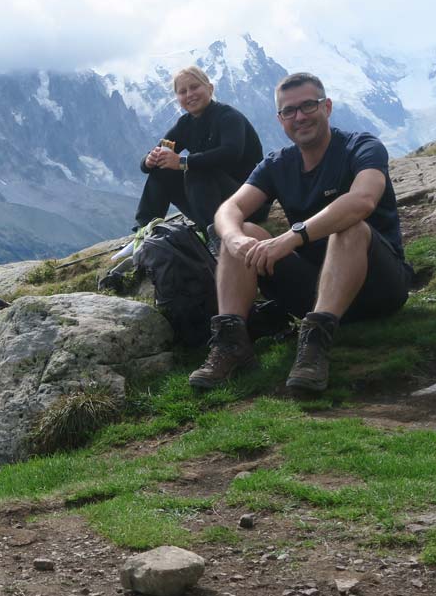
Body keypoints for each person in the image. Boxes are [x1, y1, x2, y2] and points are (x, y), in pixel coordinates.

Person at [189, 72, 413, 392]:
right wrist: (235, 239)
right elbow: (229, 210)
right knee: (243, 232)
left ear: (327, 107)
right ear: (280, 120)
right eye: (289, 111)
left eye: (308, 106)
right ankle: (231, 344)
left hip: (379, 287)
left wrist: (292, 237)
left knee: (349, 227)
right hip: (313, 287)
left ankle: (316, 345)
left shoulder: (361, 146)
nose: (300, 117)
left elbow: (362, 200)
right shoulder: (277, 164)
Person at [135, 65, 268, 241]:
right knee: (163, 168)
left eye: (194, 87)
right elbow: (157, 155)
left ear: (210, 88)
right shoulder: (185, 124)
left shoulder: (228, 117)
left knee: (195, 170)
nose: (189, 94)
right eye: (182, 91)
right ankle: (146, 231)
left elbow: (231, 153)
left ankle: (216, 236)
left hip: (248, 202)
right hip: (209, 202)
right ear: (177, 98)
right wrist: (150, 160)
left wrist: (183, 162)